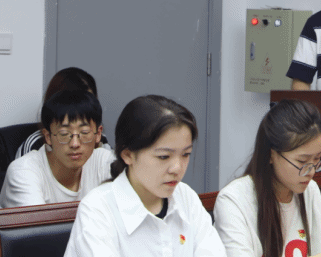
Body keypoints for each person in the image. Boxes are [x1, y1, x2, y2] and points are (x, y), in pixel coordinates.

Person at [63, 95, 224, 256]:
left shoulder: (186, 197)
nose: (177, 168)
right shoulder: (97, 210)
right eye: (164, 156)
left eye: (186, 154)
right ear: (128, 155)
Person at [214, 99, 321, 257]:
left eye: (317, 159)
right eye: (302, 161)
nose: (311, 172)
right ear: (271, 155)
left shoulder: (310, 191)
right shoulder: (234, 200)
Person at [0, 90, 113, 207]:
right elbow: (40, 219)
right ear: (48, 137)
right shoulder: (23, 171)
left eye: (84, 132)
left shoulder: (105, 162)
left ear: (98, 134)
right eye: (64, 134)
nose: (75, 144)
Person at [16, 66, 111, 158]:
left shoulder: (100, 140)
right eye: (64, 133)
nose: (75, 144)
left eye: (87, 101)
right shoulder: (35, 145)